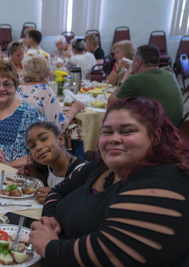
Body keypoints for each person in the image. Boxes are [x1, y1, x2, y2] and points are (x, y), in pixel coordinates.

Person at [29, 97, 189, 266]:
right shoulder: (100, 166)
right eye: (107, 132)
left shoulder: (166, 181)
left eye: (127, 131)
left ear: (156, 136)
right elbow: (57, 191)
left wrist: (50, 246)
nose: (114, 138)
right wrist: (49, 219)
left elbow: (110, 254)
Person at [108, 45, 184, 126]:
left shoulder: (134, 79)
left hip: (160, 131)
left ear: (138, 63)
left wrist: (123, 81)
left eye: (133, 60)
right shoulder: (169, 74)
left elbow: (111, 104)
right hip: (178, 127)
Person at [23, 121, 86, 203]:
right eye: (32, 146)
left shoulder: (80, 171)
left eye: (44, 139)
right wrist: (37, 175)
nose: (38, 147)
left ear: (60, 140)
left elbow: (85, 205)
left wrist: (56, 197)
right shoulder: (50, 165)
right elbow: (54, 184)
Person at [16, 57, 84, 133]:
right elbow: (58, 127)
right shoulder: (44, 89)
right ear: (45, 75)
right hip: (37, 140)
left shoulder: (18, 89)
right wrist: (74, 109)